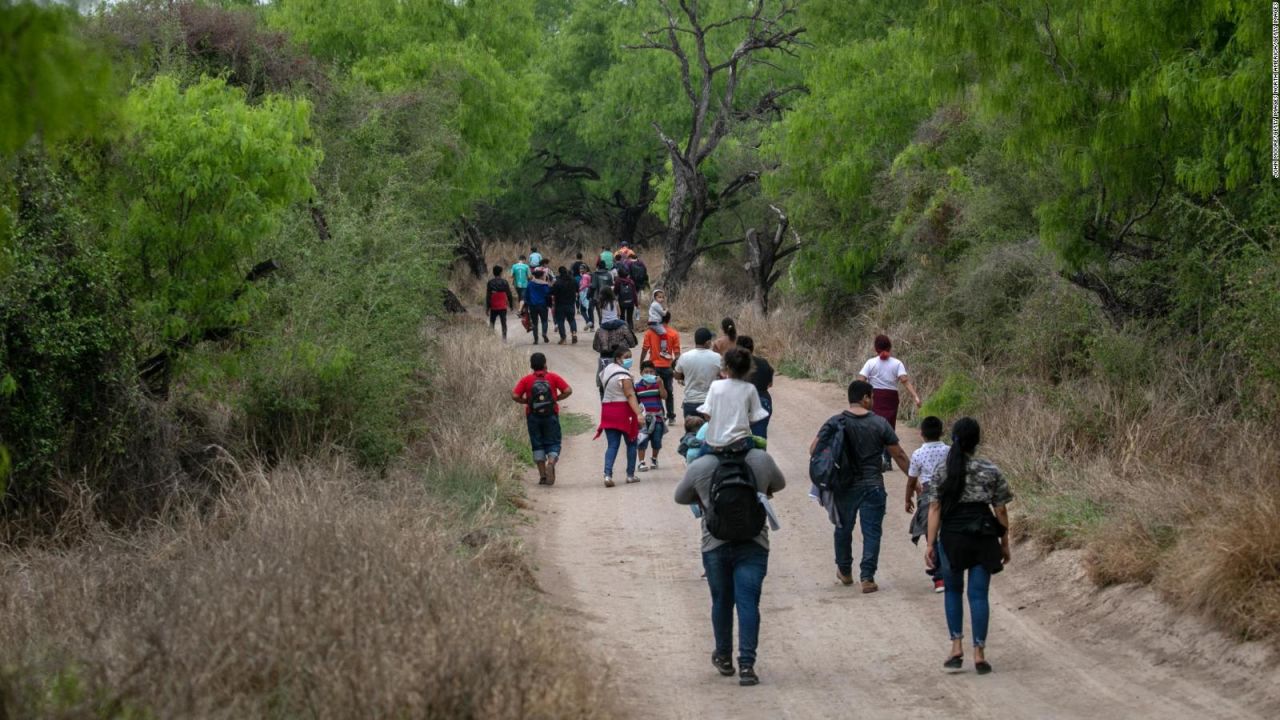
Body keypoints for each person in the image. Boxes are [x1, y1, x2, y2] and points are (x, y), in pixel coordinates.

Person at [673, 440, 786, 686]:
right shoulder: (760, 459)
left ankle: (724, 657)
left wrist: (703, 496)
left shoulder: (701, 464)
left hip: (715, 543)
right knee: (748, 603)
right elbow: (780, 484)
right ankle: (747, 665)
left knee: (721, 601)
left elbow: (680, 497)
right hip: (754, 542)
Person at [923, 417, 1013, 675]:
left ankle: (956, 647)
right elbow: (1001, 510)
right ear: (977, 441)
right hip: (983, 537)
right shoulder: (990, 469)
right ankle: (979, 652)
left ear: (954, 439)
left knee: (952, 591)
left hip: (952, 538)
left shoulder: (943, 470)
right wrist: (1004, 543)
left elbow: (934, 508)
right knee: (978, 595)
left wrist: (930, 544)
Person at [809, 380, 910, 594]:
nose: (873, 401)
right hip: (873, 484)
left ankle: (845, 571)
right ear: (865, 397)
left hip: (844, 485)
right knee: (872, 531)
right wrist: (915, 481)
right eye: (871, 397)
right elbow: (898, 455)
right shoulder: (880, 423)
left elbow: (813, 449)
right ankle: (867, 577)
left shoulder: (835, 422)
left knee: (843, 528)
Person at [858, 334, 923, 470]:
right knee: (888, 428)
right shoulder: (897, 363)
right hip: (891, 398)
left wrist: (859, 398)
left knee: (874, 427)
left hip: (874, 397)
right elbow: (905, 381)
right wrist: (915, 396)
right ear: (890, 347)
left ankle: (875, 459)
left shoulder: (871, 363)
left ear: (875, 348)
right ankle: (887, 460)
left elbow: (860, 380)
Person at [511, 352, 572, 485]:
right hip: (551, 415)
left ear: (532, 365)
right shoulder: (553, 377)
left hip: (533, 416)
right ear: (545, 364)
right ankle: (551, 462)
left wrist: (526, 402)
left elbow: (515, 395)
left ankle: (543, 475)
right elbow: (568, 390)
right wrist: (556, 399)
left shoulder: (526, 380)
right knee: (554, 442)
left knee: (537, 444)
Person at [907, 416, 950, 592]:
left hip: (927, 495)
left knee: (931, 535)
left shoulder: (918, 454)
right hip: (948, 494)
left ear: (921, 434)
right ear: (942, 432)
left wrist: (907, 498)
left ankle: (939, 577)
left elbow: (911, 480)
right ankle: (947, 572)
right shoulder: (949, 450)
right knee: (945, 534)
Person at [697, 348, 769, 453]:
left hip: (715, 443)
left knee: (697, 465)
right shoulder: (750, 388)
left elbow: (707, 414)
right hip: (742, 444)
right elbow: (755, 418)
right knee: (763, 461)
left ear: (726, 367)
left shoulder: (715, 385)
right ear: (748, 369)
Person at [595, 346, 643, 487]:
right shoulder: (624, 375)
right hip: (623, 411)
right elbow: (629, 395)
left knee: (612, 445)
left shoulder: (607, 370)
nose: (629, 360)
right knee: (631, 443)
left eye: (630, 356)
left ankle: (608, 475)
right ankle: (630, 475)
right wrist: (638, 414)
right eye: (626, 357)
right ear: (618, 359)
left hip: (608, 409)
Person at [674, 328, 723, 420]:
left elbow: (677, 375)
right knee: (710, 433)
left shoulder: (685, 357)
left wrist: (685, 376)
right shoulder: (717, 357)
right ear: (708, 342)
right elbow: (724, 376)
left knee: (692, 433)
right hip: (710, 403)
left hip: (690, 402)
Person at [640, 315, 680, 422]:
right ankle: (671, 416)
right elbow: (677, 353)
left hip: (654, 367)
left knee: (656, 391)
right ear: (669, 319)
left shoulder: (650, 332)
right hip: (668, 367)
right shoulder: (673, 333)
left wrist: (641, 362)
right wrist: (677, 369)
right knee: (668, 391)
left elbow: (645, 348)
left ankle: (661, 414)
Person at [735, 336, 774, 439]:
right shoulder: (764, 363)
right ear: (752, 347)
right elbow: (770, 384)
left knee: (738, 440)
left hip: (742, 402)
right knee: (760, 440)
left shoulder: (735, 366)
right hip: (763, 402)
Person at [635, 359, 668, 472]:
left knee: (657, 440)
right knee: (642, 441)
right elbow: (635, 402)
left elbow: (664, 396)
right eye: (646, 372)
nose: (648, 374)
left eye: (651, 372)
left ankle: (654, 459)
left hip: (657, 418)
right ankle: (641, 462)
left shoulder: (657, 384)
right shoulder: (637, 386)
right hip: (644, 419)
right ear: (641, 373)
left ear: (655, 373)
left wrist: (660, 385)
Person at [524, 263, 553, 345]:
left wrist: (527, 304)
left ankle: (536, 339)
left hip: (533, 305)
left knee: (535, 323)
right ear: (541, 276)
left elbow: (526, 295)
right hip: (543, 305)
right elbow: (548, 294)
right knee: (544, 321)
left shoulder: (530, 284)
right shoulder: (544, 285)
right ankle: (544, 333)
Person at [551, 266, 579, 345]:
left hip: (560, 304)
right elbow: (578, 289)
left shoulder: (557, 282)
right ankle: (574, 333)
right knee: (571, 319)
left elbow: (552, 292)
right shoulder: (573, 280)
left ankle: (563, 338)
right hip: (571, 303)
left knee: (560, 321)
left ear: (559, 272)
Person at [485, 265, 515, 340]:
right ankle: (504, 338)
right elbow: (509, 294)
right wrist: (511, 305)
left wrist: (487, 308)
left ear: (493, 273)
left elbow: (488, 296)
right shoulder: (504, 282)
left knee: (492, 322)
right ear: (501, 273)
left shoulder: (490, 282)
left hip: (494, 305)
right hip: (502, 305)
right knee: (503, 322)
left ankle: (491, 337)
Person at [590, 261, 614, 325]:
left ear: (598, 266)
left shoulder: (595, 274)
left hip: (598, 296)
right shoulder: (608, 274)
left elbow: (593, 286)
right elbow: (611, 285)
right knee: (607, 311)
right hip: (608, 296)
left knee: (599, 312)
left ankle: (601, 325)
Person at [576, 265, 595, 332]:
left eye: (582, 269)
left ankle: (588, 322)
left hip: (584, 294)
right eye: (580, 268)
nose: (580, 270)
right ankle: (592, 327)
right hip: (590, 294)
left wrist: (579, 289)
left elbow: (584, 285)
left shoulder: (584, 276)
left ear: (585, 269)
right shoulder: (590, 275)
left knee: (583, 310)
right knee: (590, 311)